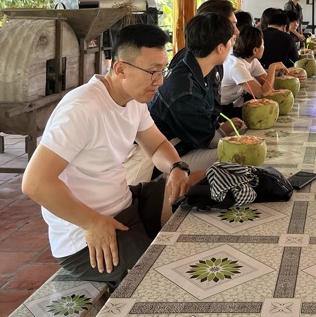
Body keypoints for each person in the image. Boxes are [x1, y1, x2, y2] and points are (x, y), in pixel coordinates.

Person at [22, 24, 195, 288]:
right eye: (152, 72)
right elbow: (35, 182)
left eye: (162, 70)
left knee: (196, 187)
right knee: (167, 277)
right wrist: (91, 222)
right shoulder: (83, 109)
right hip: (86, 236)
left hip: (124, 203)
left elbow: (157, 145)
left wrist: (176, 167)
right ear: (120, 69)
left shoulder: (134, 99)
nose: (159, 81)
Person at [148, 13, 244, 173]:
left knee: (245, 133)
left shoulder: (198, 63)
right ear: (220, 48)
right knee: (240, 153)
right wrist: (223, 130)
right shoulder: (184, 92)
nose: (233, 44)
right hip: (169, 159)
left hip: (188, 142)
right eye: (231, 41)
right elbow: (209, 141)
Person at [221, 26, 288, 114]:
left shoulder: (252, 60)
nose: (264, 47)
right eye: (263, 44)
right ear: (255, 50)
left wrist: (278, 73)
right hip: (221, 109)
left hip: (235, 102)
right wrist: (272, 67)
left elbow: (266, 82)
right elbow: (263, 94)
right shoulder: (236, 66)